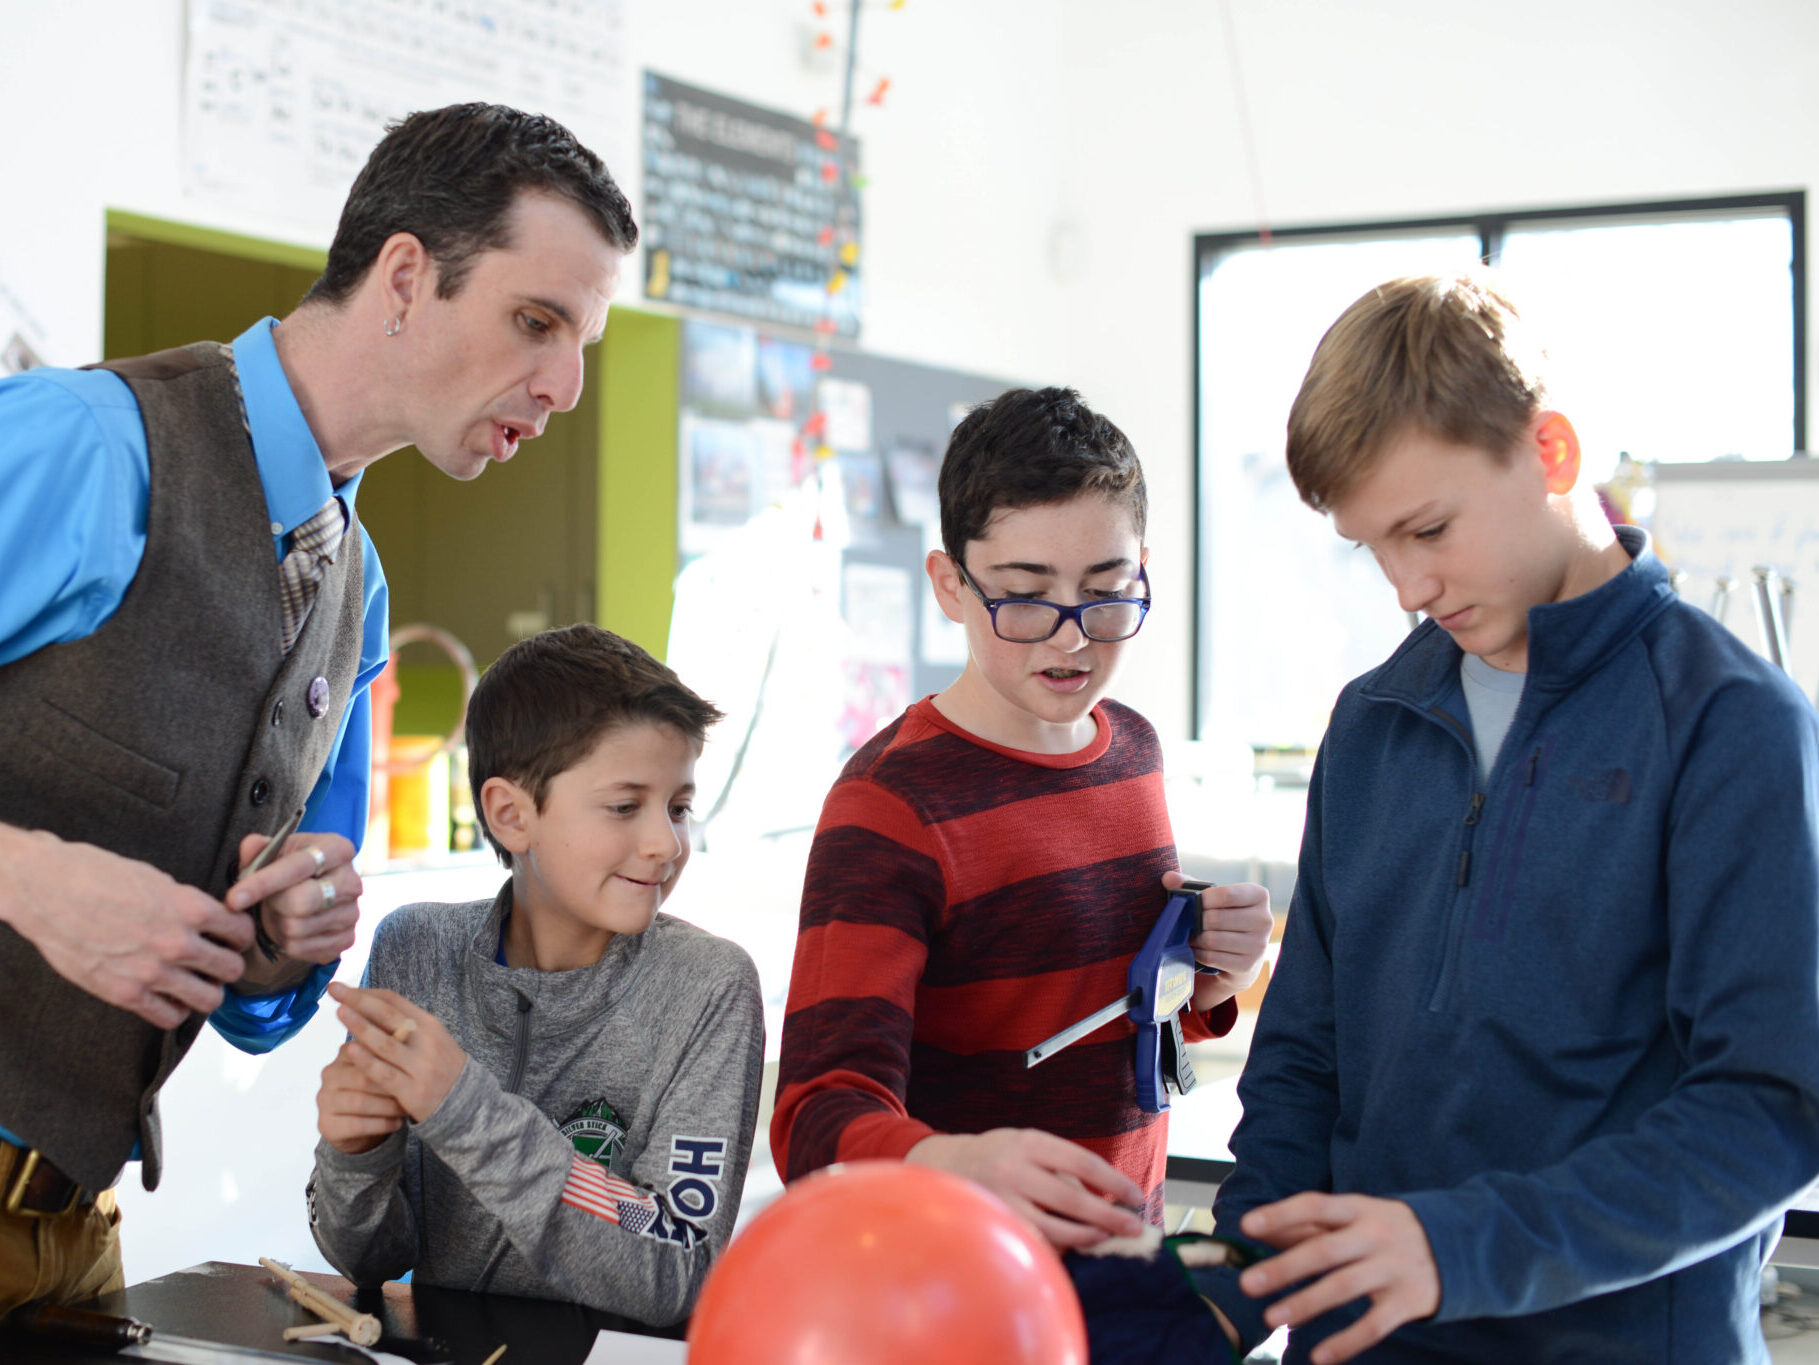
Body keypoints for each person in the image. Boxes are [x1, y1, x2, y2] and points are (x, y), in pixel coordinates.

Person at [0, 102, 636, 1312]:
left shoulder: (358, 589)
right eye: (536, 322)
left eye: (582, 344)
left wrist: (286, 942)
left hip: (70, 1238)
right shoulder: (84, 449)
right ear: (406, 275)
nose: (562, 386)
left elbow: (259, 1012)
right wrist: (25, 877)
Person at [1200, 272, 1819, 1363]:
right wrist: (1224, 1292)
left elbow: (1767, 1109)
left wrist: (1455, 1248)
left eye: (1427, 529)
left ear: (1552, 454)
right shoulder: (1373, 721)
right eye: (1372, 546)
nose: (1404, 586)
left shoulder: (1731, 725)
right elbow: (1303, 1061)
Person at [770, 386, 1274, 1250]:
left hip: (1118, 1258)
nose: (1071, 637)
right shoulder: (891, 803)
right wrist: (954, 1161)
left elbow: (1108, 1012)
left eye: (1107, 591)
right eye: (1026, 595)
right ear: (950, 585)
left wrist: (1211, 975)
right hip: (961, 1281)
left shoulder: (1134, 751)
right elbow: (817, 1115)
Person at [307, 624, 764, 1326]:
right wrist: (355, 1157)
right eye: (625, 805)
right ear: (511, 814)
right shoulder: (416, 948)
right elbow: (369, 1259)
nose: (665, 842)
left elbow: (676, 1267)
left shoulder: (708, 987)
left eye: (678, 807)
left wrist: (464, 1108)